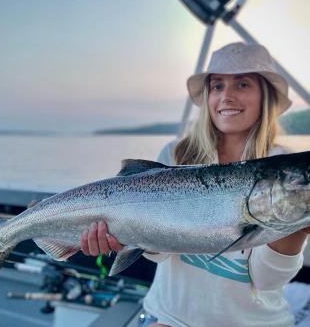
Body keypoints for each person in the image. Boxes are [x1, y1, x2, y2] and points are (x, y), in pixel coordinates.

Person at [80, 42, 310, 327]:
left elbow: (265, 280)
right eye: (217, 86)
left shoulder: (284, 167)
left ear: (265, 96)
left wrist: (297, 230)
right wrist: (127, 234)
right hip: (170, 318)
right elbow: (160, 255)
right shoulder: (176, 155)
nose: (227, 96)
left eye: (242, 84)